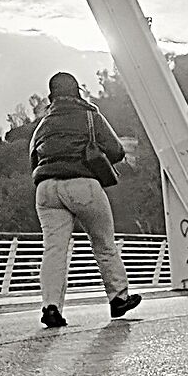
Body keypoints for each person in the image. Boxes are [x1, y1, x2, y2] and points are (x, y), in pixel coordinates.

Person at [28, 72, 140, 328]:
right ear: (77, 91)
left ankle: (51, 307)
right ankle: (118, 298)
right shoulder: (90, 116)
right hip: (82, 183)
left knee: (54, 250)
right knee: (103, 243)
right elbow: (117, 150)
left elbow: (33, 159)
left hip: (46, 188)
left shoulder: (43, 123)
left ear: (51, 95)